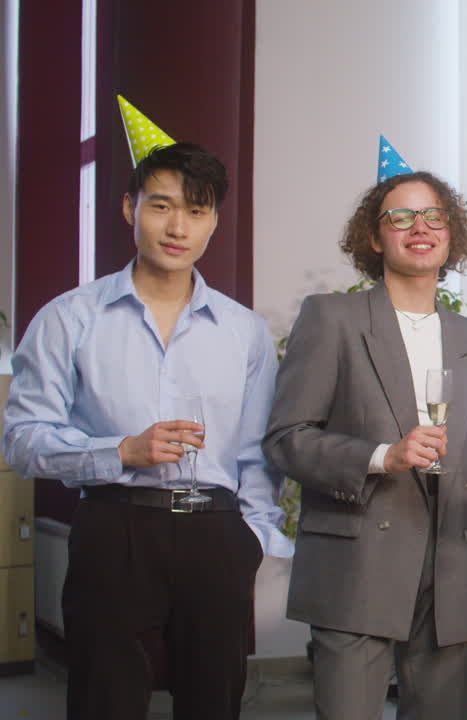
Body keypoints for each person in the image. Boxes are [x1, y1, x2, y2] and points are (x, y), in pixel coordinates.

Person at [3, 138, 288, 719]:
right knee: (103, 699)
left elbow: (260, 453)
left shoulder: (245, 331)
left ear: (213, 221)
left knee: (213, 702)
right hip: (116, 529)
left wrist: (252, 538)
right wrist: (121, 451)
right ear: (131, 208)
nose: (177, 226)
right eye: (161, 206)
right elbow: (22, 438)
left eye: (196, 210)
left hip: (217, 534)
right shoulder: (69, 318)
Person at [264, 169, 467, 719]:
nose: (420, 227)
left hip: (449, 572)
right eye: (400, 216)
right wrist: (380, 457)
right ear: (375, 237)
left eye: (434, 215)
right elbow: (285, 439)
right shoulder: (332, 318)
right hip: (357, 563)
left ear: (452, 233)